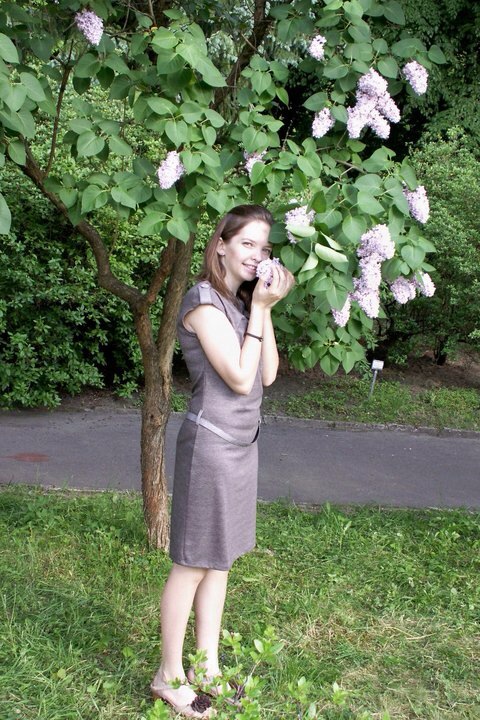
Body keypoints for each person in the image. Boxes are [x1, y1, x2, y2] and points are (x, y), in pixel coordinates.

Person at [150, 204, 295, 717]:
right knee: (192, 563)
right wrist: (259, 310)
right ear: (221, 246)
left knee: (220, 560)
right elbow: (238, 377)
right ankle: (168, 676)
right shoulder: (202, 301)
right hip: (210, 447)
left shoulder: (241, 303)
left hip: (241, 447)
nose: (257, 255)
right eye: (247, 244)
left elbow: (268, 374)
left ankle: (206, 666)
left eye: (265, 247)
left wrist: (263, 307)